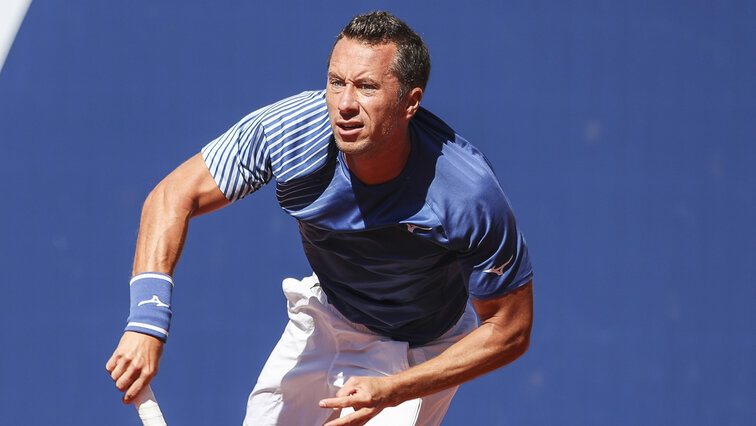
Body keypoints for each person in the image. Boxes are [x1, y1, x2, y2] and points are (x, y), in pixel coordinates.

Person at [107, 11, 534, 426]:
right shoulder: (292, 131)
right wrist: (146, 322)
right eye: (335, 82)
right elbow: (171, 196)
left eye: (366, 87)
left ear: (410, 103)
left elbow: (509, 330)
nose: (345, 104)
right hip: (328, 314)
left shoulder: (466, 193)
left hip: (420, 347)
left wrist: (395, 389)